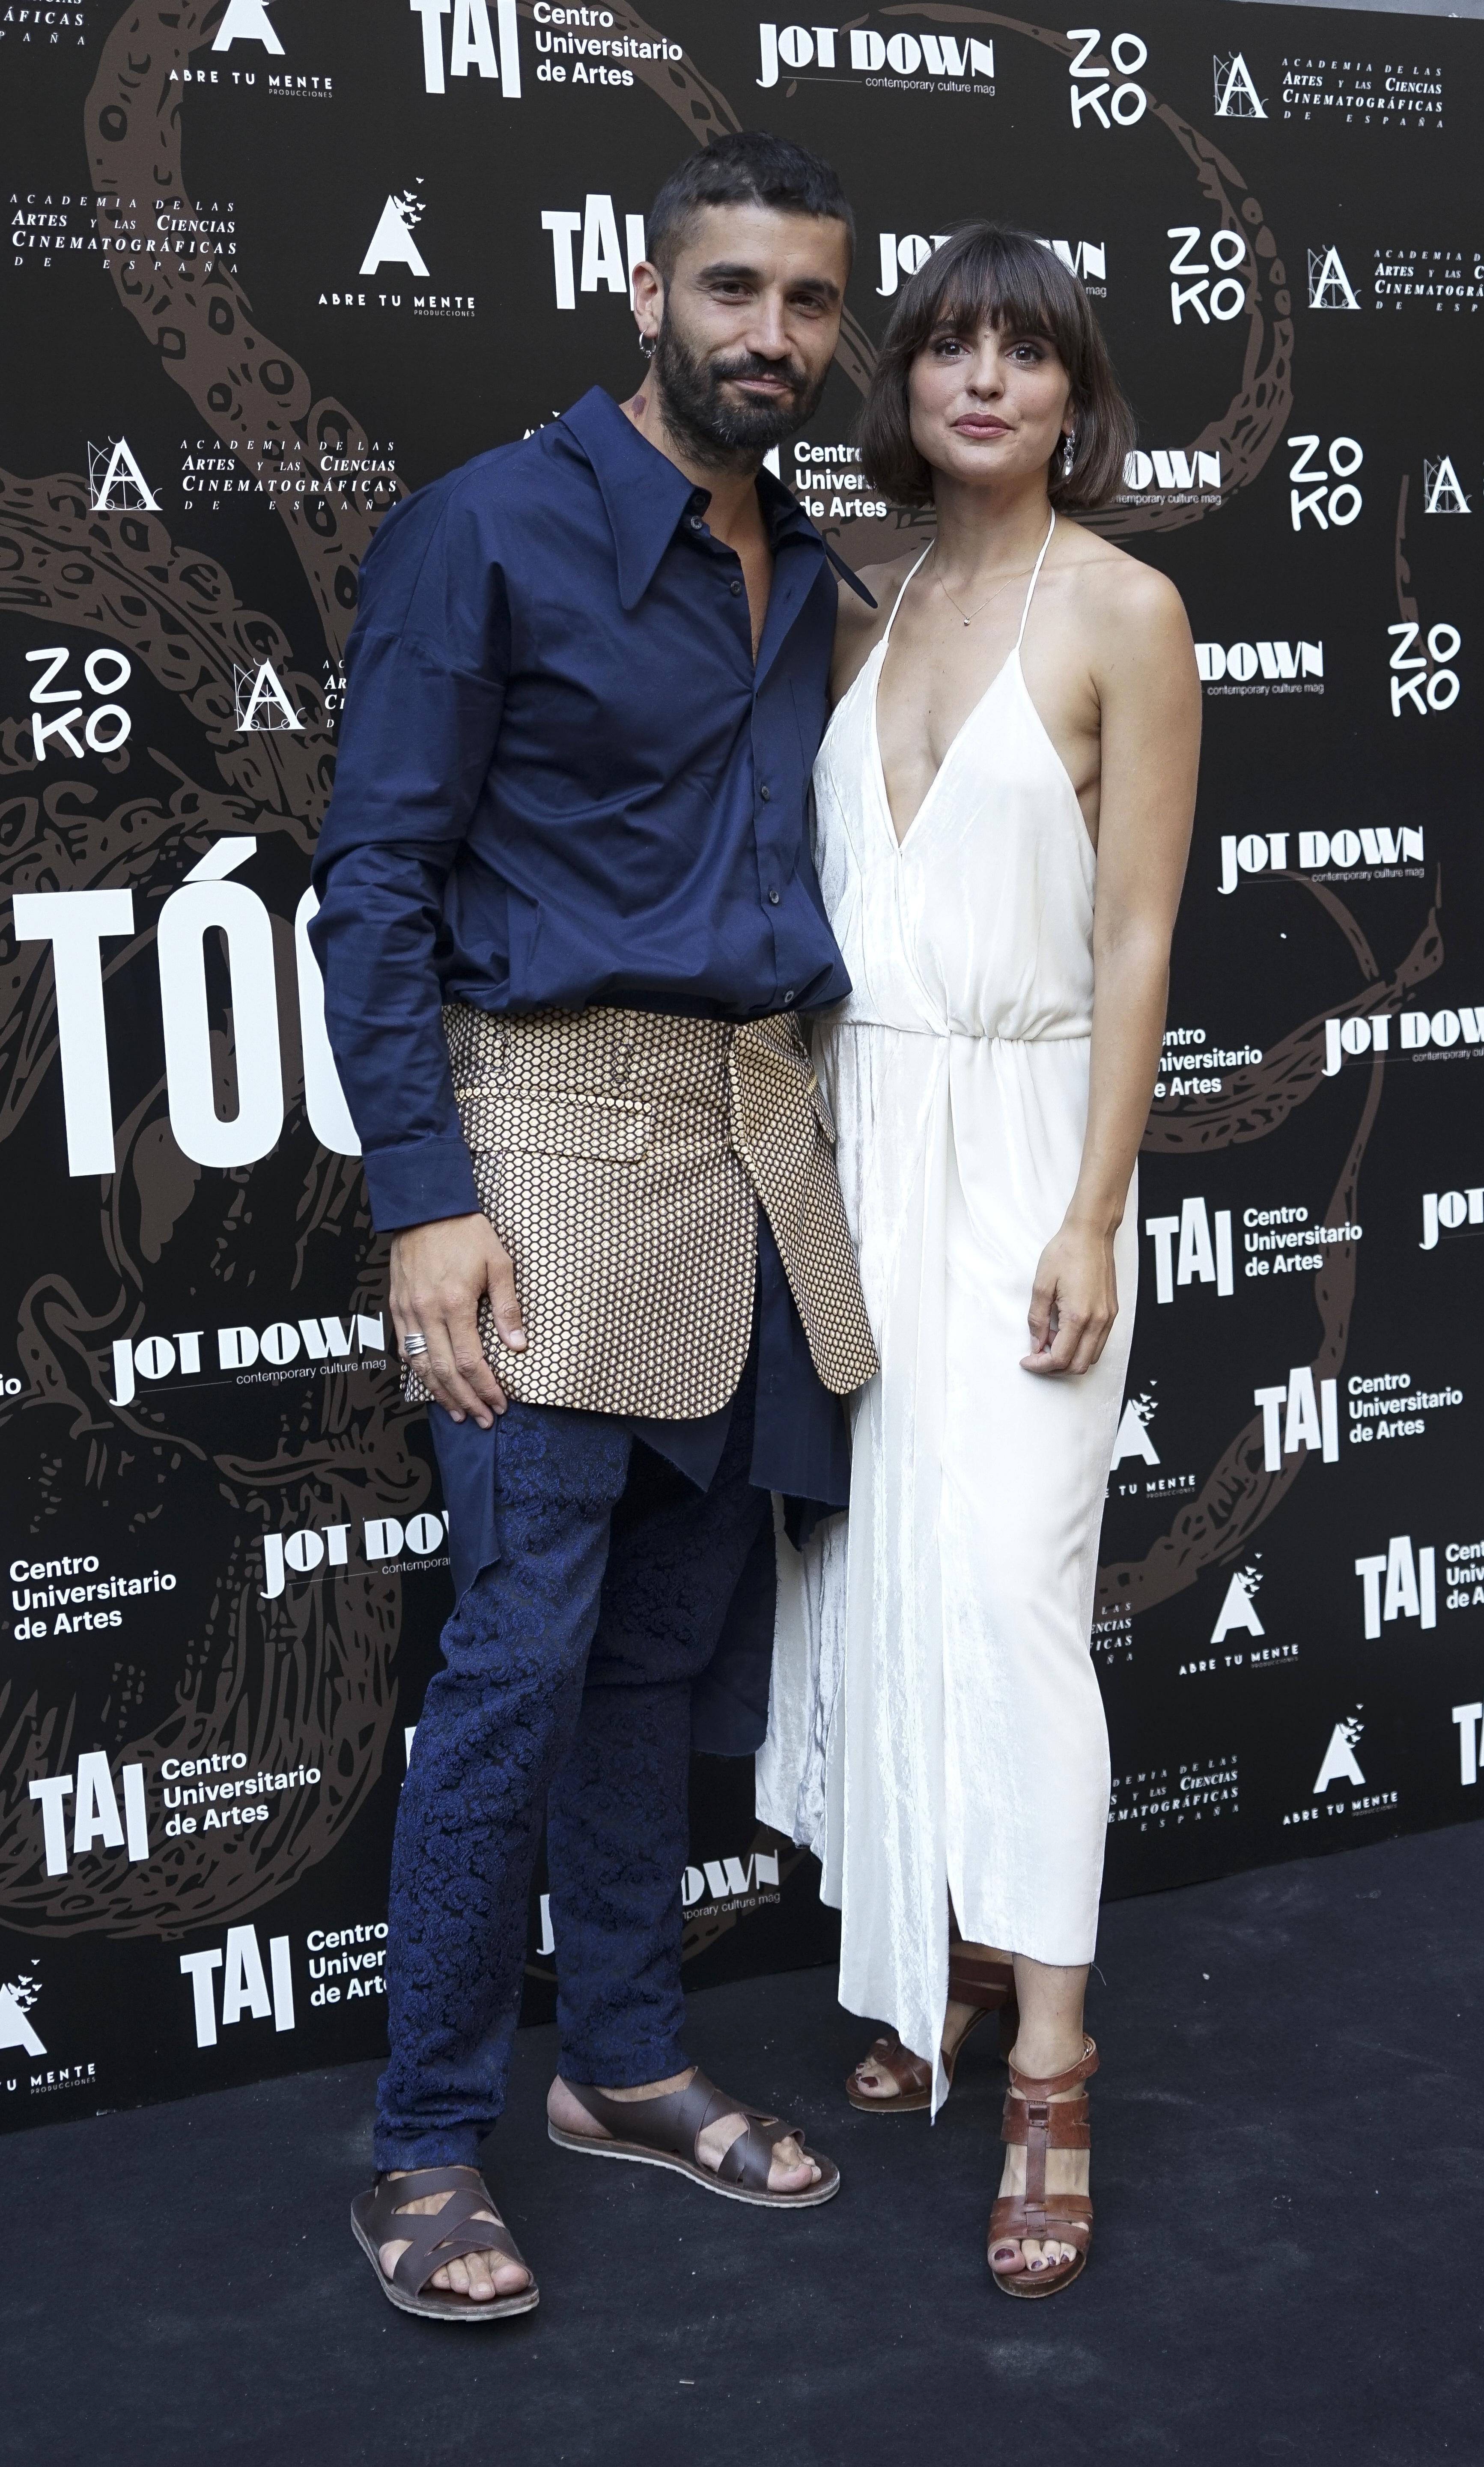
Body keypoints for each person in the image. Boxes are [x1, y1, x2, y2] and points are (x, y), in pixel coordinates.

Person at [310, 131, 880, 2321]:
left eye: (808, 301)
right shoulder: (489, 528)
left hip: (751, 1148)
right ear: (646, 296)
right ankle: (424, 2144)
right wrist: (424, 1200)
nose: (770, 335)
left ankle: (624, 2059)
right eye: (731, 290)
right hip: (539, 1140)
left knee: (652, 1658)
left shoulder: (806, 564)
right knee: (518, 1663)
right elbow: (375, 880)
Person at [757, 223, 1200, 2299]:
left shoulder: (1125, 609)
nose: (987, 379)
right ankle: (928, 1947)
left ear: (1075, 394)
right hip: (859, 1142)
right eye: (951, 345)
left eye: (1029, 350)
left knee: (1014, 1595)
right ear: (907, 384)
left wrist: (1092, 1208)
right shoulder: (853, 605)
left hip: (1028, 1147)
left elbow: (1137, 935)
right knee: (878, 1573)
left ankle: (1048, 2065)